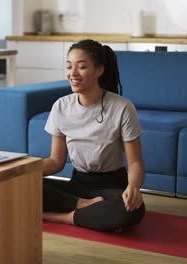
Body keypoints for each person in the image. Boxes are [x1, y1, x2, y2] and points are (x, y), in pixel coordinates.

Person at [42, 39, 145, 232]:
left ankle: (60, 217)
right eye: (69, 66)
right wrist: (22, 171)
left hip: (112, 186)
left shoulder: (122, 107)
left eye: (81, 66)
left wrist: (133, 187)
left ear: (99, 70)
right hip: (78, 185)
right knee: (19, 186)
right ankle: (83, 206)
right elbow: (56, 161)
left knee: (131, 210)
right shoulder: (61, 106)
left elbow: (135, 163)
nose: (73, 73)